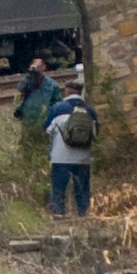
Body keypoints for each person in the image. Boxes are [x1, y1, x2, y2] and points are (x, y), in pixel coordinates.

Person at [45, 84, 98, 218]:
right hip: (83, 158)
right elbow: (95, 132)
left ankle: (59, 214)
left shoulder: (58, 108)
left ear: (67, 92)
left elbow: (47, 129)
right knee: (82, 189)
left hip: (61, 157)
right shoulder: (89, 111)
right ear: (80, 93)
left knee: (59, 189)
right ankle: (83, 215)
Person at [13, 59, 60, 134]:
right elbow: (20, 89)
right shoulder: (28, 81)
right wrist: (30, 76)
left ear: (44, 67)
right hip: (28, 116)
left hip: (43, 118)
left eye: (39, 66)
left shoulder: (51, 85)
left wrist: (49, 114)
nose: (37, 68)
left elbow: (57, 101)